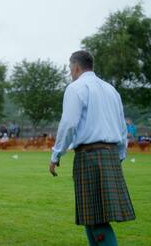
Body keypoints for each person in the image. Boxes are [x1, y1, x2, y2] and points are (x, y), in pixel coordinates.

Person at [49, 51, 135, 246]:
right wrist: (119, 155)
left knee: (97, 221)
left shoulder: (76, 87)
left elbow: (69, 124)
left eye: (70, 69)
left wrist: (56, 155)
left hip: (89, 156)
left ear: (76, 67)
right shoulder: (111, 90)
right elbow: (122, 128)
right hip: (110, 155)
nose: (70, 73)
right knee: (90, 216)